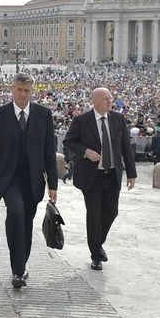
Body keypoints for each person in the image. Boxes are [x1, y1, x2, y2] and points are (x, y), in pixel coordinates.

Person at [0, 73, 58, 289]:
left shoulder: (44, 115)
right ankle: (17, 269)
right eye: (19, 90)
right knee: (15, 213)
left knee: (26, 222)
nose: (22, 94)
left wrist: (53, 183)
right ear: (12, 90)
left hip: (33, 179)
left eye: (26, 90)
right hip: (8, 177)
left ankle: (21, 265)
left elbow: (48, 152)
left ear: (32, 91)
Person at [62, 87, 137, 270]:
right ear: (94, 101)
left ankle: (98, 242)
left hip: (112, 174)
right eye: (105, 99)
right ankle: (96, 254)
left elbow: (126, 147)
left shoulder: (118, 118)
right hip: (91, 176)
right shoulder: (81, 120)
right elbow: (69, 142)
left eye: (110, 98)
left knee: (112, 212)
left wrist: (132, 173)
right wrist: (86, 152)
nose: (110, 101)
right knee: (94, 215)